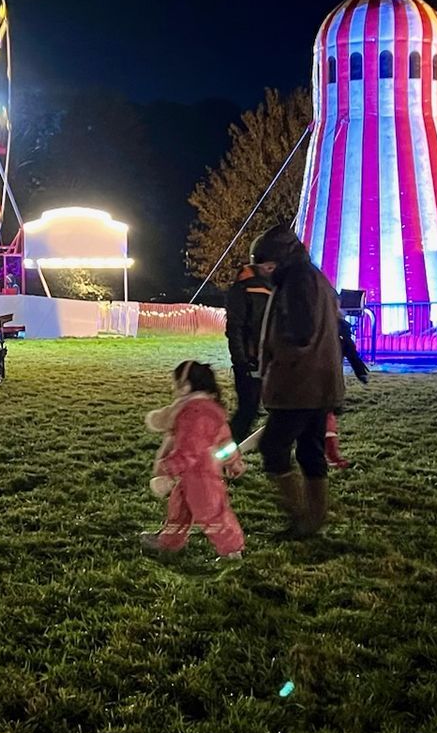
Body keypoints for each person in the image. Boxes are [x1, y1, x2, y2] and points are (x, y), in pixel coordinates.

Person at [249, 223, 343, 536]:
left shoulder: (296, 281)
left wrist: (276, 357)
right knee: (309, 451)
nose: (262, 271)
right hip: (319, 382)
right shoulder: (314, 276)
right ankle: (313, 519)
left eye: (264, 264)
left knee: (274, 448)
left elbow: (300, 332)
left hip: (299, 383)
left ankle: (301, 515)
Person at [141, 360, 244, 559]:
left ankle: (232, 551)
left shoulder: (195, 413)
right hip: (192, 476)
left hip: (201, 477)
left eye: (175, 382)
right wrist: (233, 460)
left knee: (212, 514)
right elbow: (224, 440)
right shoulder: (208, 409)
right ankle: (169, 543)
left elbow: (190, 449)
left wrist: (169, 468)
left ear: (185, 385)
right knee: (179, 512)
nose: (173, 387)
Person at [223, 259, 272, 443]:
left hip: (259, 359)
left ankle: (223, 454)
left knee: (249, 411)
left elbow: (236, 328)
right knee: (252, 411)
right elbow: (236, 327)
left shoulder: (248, 290)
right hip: (260, 359)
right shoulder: (260, 290)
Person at [324, 317, 371, 469]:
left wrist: (359, 370)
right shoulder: (337, 327)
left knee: (325, 415)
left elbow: (349, 350)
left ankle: (330, 454)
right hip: (316, 381)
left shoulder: (337, 329)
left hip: (324, 381)